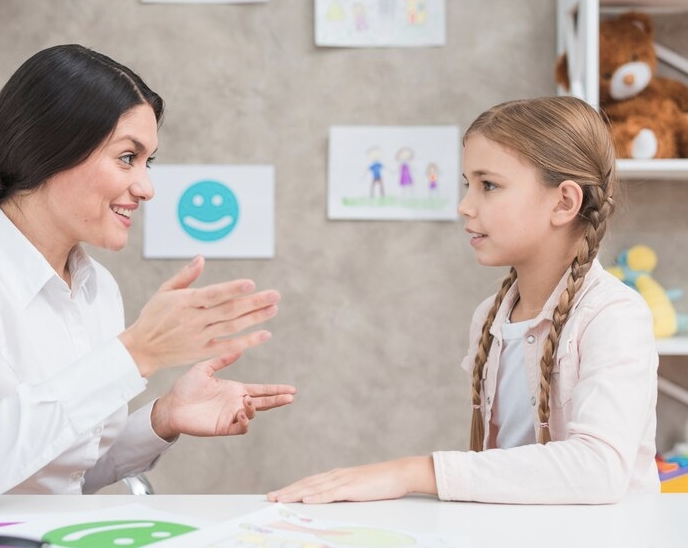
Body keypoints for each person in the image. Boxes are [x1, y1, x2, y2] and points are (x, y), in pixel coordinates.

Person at [0, 44, 295, 517]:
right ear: (52, 150)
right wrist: (135, 354)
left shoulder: (96, 290)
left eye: (147, 162)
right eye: (127, 157)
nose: (147, 187)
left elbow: (62, 474)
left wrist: (162, 418)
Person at [268, 96, 659, 505]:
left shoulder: (613, 317)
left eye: (488, 185)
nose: (464, 206)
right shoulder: (490, 317)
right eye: (467, 185)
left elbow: (598, 469)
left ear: (564, 202)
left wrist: (414, 472)